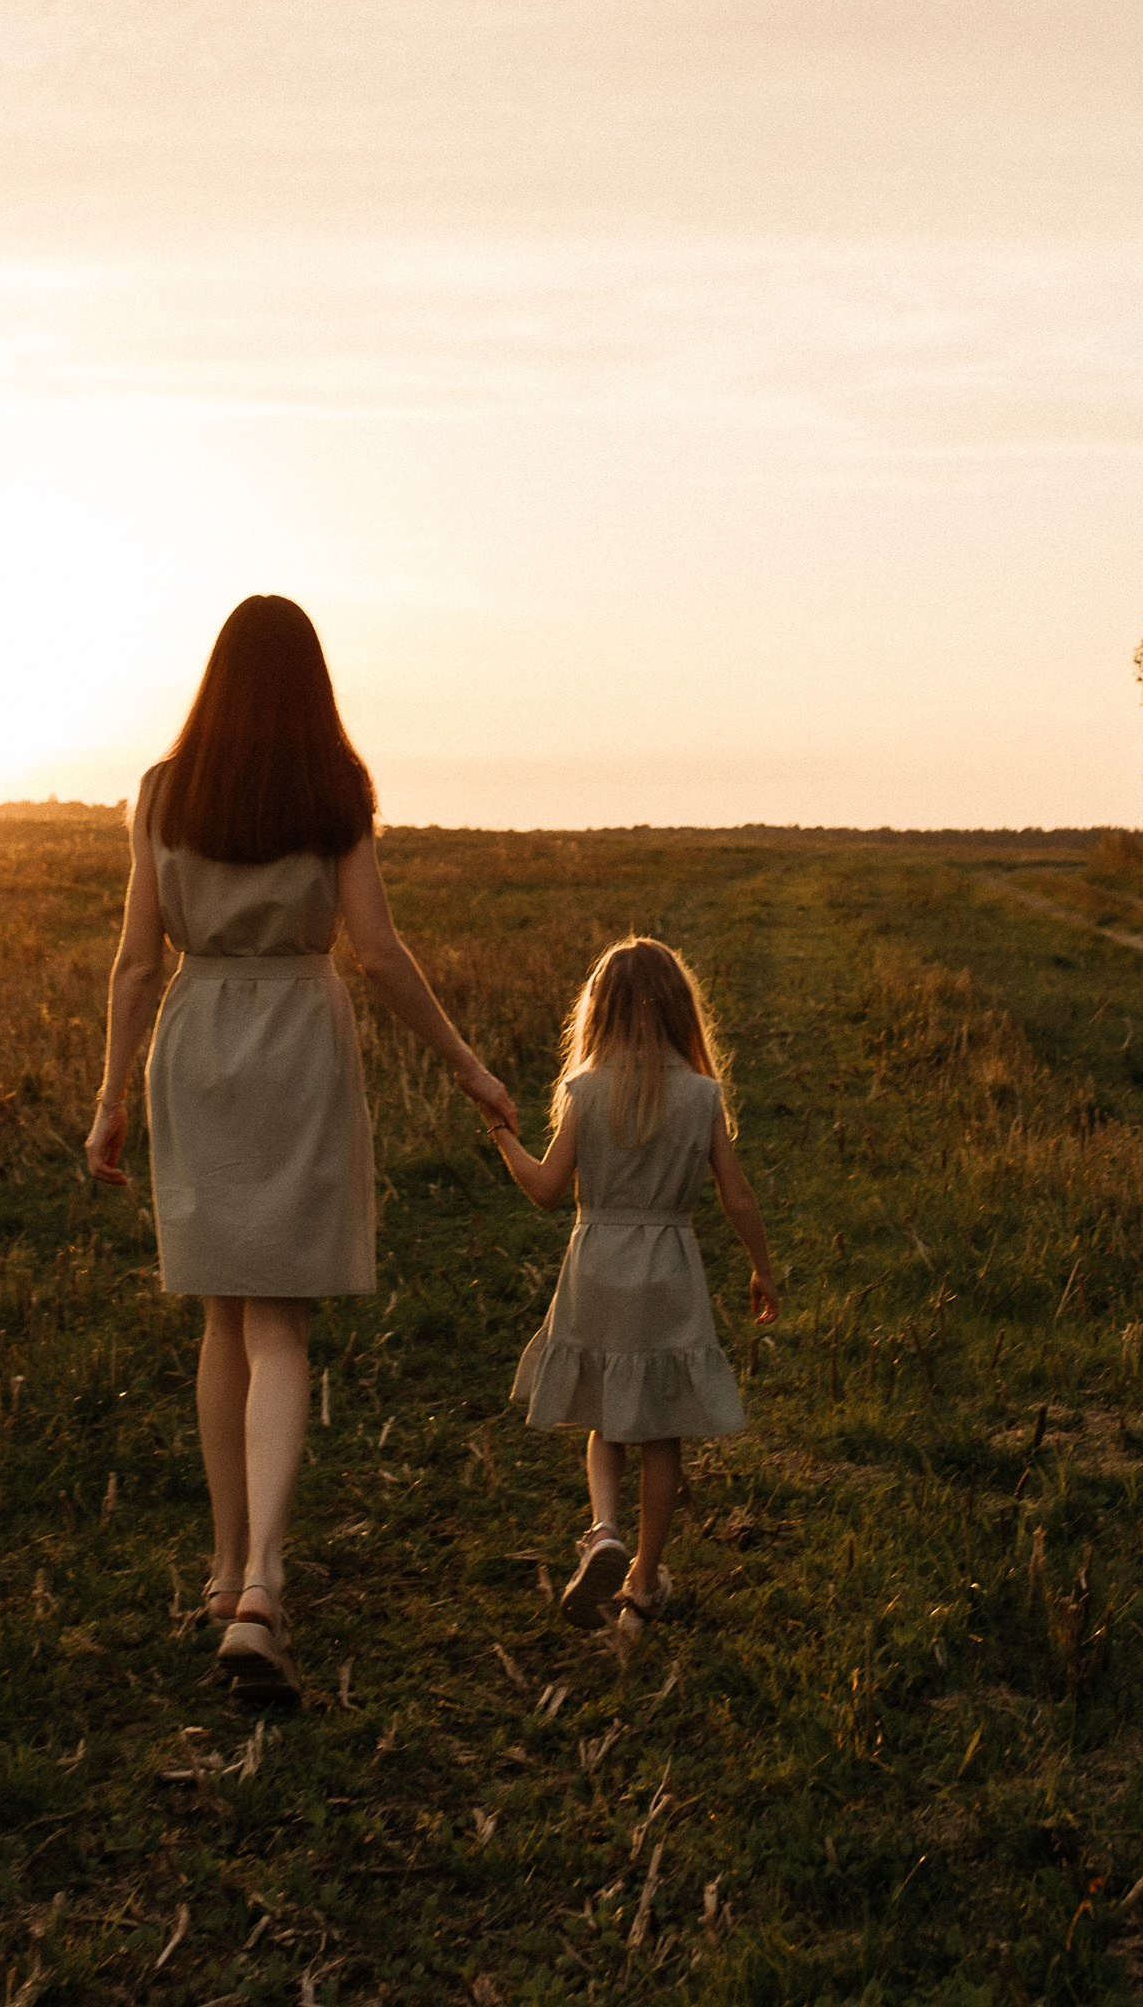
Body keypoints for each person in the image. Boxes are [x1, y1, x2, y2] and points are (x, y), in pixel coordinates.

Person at [85, 594, 516, 1702]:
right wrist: (466, 1064)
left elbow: (137, 962)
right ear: (311, 683)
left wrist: (107, 1099)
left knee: (222, 1309)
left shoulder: (160, 792)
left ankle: (227, 1573)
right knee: (278, 1323)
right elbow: (374, 952)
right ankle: (266, 1583)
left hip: (193, 1043)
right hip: (294, 1038)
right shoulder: (336, 788)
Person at [488, 937, 778, 1635]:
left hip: (597, 1263)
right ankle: (644, 1583)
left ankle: (605, 1530)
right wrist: (762, 1266)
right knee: (661, 1431)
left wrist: (502, 1135)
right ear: (680, 1011)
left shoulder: (584, 1090)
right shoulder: (702, 1095)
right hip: (669, 1265)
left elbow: (548, 1191)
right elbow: (735, 1194)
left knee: (605, 1416)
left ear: (600, 1013)